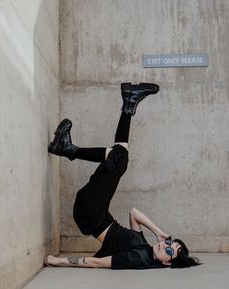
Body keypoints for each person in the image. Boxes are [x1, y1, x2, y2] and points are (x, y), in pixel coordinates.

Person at [45, 83, 200, 269]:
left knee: (119, 157)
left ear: (167, 263)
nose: (164, 246)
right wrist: (159, 232)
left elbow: (97, 262)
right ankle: (126, 103)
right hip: (97, 211)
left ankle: (70, 147)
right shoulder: (144, 246)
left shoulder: (139, 258)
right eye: (169, 243)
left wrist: (57, 261)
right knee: (119, 157)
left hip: (91, 214)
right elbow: (134, 213)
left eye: (168, 251)